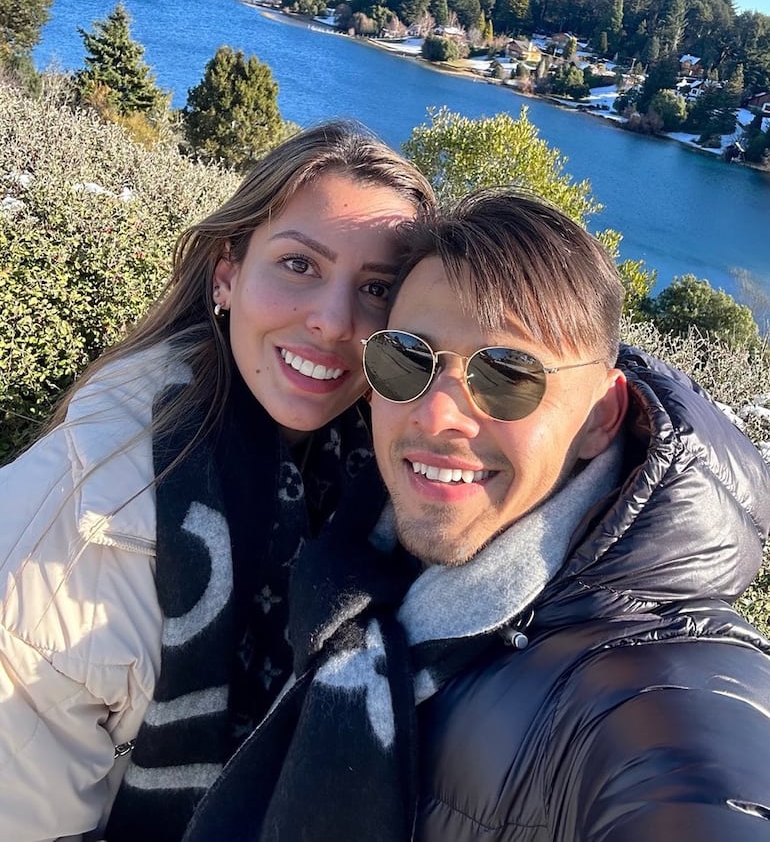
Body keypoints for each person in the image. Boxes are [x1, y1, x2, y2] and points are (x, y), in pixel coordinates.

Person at [181, 187, 770, 842]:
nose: (437, 415)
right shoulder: (352, 554)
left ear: (602, 414)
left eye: (508, 375)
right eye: (406, 358)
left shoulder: (646, 685)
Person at [0, 119, 435, 842]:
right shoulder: (71, 526)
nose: (333, 322)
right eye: (300, 264)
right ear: (226, 274)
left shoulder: (390, 490)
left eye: (379, 288)